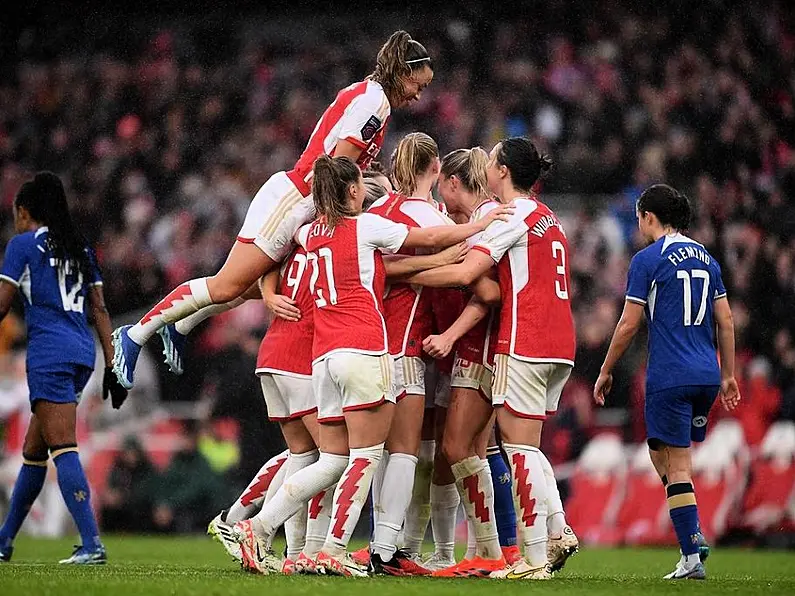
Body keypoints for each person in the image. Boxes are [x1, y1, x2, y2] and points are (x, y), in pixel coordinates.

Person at [232, 155, 510, 577]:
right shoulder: (365, 226)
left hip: (322, 359)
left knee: (331, 460)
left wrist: (269, 293)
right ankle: (333, 548)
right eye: (360, 183)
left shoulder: (308, 233)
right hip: (363, 348)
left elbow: (270, 258)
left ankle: (260, 527)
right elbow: (429, 238)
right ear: (351, 191)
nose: (364, 190)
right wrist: (476, 227)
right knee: (366, 457)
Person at [112, 30, 434, 389]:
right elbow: (337, 167)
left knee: (247, 287)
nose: (418, 95)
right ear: (403, 74)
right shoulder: (376, 103)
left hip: (303, 200)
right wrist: (356, 200)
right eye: (417, 85)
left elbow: (342, 161)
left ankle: (181, 323)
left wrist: (370, 180)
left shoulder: (368, 95)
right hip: (295, 199)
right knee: (225, 285)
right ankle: (135, 334)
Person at [404, 137, 579, 579]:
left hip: (524, 339)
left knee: (506, 448)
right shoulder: (547, 215)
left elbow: (470, 275)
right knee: (526, 448)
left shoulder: (507, 214)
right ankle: (553, 532)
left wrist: (400, 272)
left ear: (501, 171)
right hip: (559, 342)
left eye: (495, 157)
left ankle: (527, 557)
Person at [593, 184, 741, 580]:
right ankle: (690, 526)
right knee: (664, 453)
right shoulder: (707, 257)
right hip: (706, 374)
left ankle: (691, 554)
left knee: (676, 466)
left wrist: (606, 369)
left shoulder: (647, 259)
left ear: (648, 217)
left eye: (640, 217)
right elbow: (725, 319)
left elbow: (628, 322)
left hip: (670, 374)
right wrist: (727, 374)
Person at [0, 172, 128, 564]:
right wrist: (113, 364)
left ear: (24, 212)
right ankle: (4, 541)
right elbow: (100, 310)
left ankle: (91, 543)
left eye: (16, 214)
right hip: (81, 353)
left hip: (48, 354)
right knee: (34, 451)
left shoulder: (22, 245)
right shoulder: (80, 248)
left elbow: (2, 304)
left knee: (63, 447)